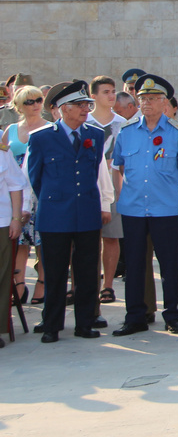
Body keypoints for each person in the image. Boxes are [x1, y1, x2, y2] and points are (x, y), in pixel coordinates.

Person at [110, 74, 178, 336]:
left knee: (170, 264)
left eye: (152, 99)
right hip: (134, 207)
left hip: (165, 207)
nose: (146, 104)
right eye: (142, 99)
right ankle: (135, 316)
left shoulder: (177, 133)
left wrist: (168, 189)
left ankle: (173, 314)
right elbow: (120, 166)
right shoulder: (126, 133)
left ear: (164, 102)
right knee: (135, 265)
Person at [26, 80, 111, 342]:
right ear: (63, 109)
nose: (86, 109)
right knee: (55, 272)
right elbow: (35, 178)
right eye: (79, 105)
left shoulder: (95, 135)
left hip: (86, 212)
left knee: (86, 272)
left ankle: (84, 323)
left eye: (87, 104)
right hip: (54, 215)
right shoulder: (41, 138)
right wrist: (55, 200)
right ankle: (51, 325)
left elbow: (95, 169)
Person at [87, 76, 127, 309]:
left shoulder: (122, 123)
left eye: (113, 91)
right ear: (93, 96)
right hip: (88, 188)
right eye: (105, 92)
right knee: (88, 240)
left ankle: (108, 285)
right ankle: (88, 284)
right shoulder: (85, 122)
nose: (111, 96)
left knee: (111, 237)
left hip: (114, 187)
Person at [7, 84, 45, 306]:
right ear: (19, 106)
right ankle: (18, 286)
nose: (35, 105)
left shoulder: (50, 128)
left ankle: (42, 283)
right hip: (17, 190)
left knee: (43, 240)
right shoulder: (10, 130)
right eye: (29, 102)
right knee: (19, 240)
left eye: (38, 100)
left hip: (40, 189)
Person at [0, 139, 24, 346]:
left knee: (2, 275)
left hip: (1, 221)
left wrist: (16, 219)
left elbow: (15, 184)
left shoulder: (2, 149)